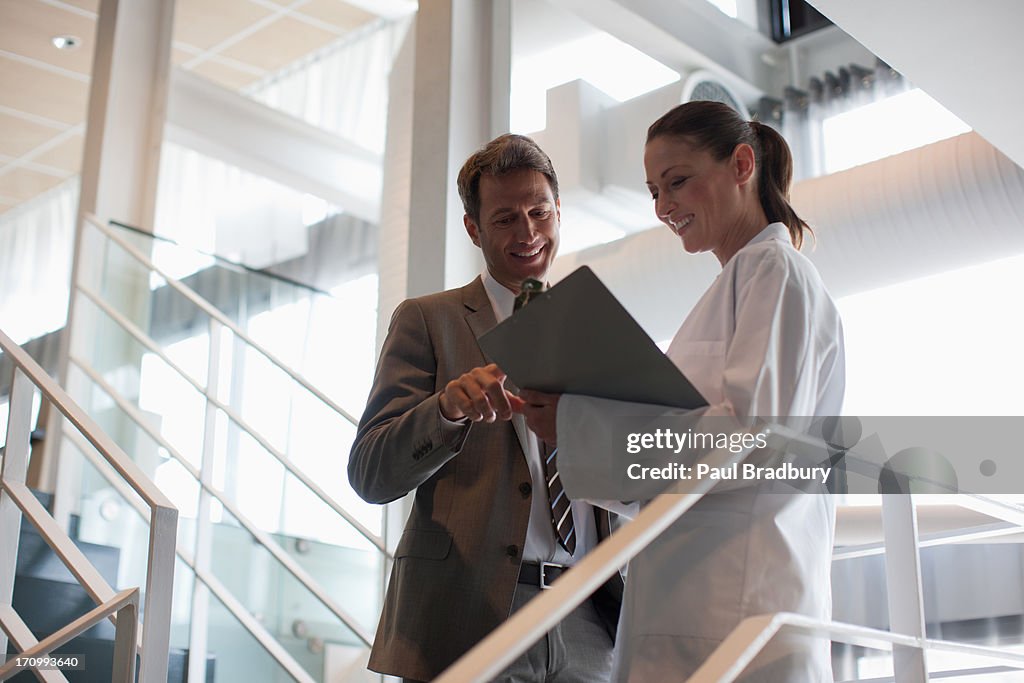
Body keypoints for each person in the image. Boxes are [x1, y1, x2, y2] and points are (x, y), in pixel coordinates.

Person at [518, 101, 845, 682]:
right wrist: (579, 426)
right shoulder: (733, 287)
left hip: (736, 606)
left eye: (678, 182)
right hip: (691, 596)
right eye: (653, 192)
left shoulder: (775, 273)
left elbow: (751, 438)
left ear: (742, 164)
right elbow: (677, 463)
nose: (665, 208)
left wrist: (580, 425)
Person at [348, 134, 621, 683]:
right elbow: (371, 472)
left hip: (591, 618)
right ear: (473, 228)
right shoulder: (428, 319)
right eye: (504, 219)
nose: (528, 233)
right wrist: (446, 409)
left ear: (558, 211)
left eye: (540, 212)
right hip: (469, 615)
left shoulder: (599, 330)